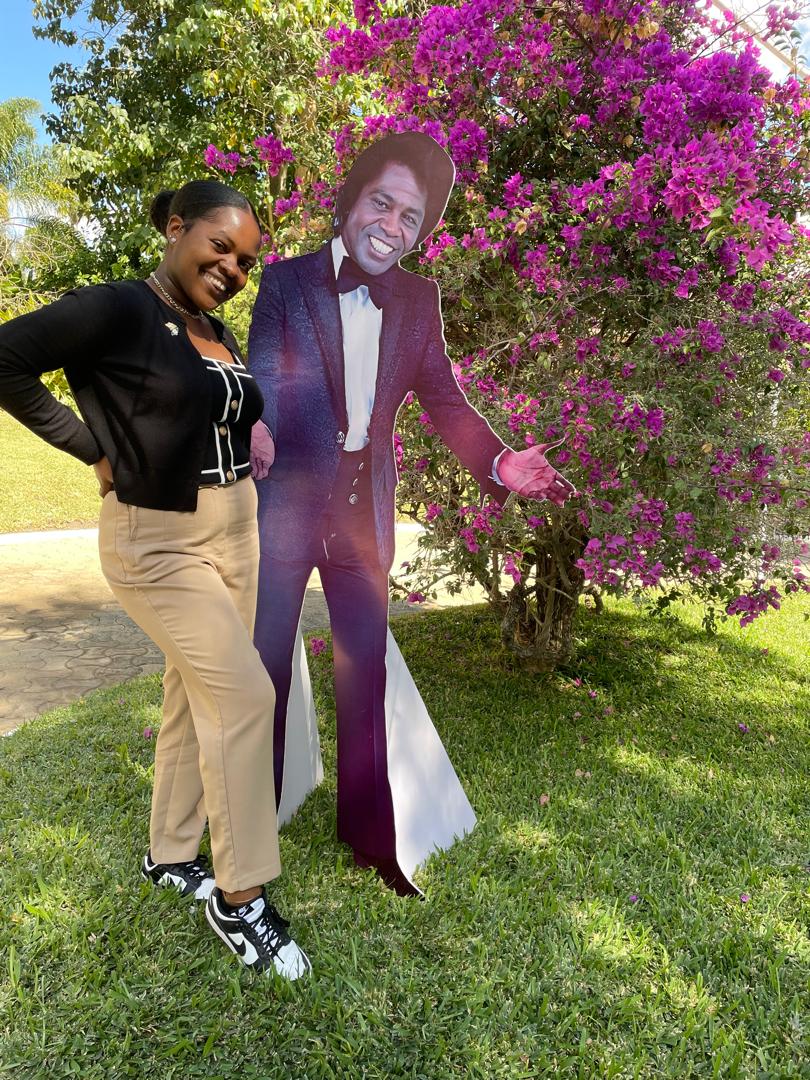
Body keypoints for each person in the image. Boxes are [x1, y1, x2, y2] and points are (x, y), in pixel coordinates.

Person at [248, 133, 574, 896]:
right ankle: (250, 830)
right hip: (288, 502)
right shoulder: (286, 283)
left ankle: (371, 841)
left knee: (366, 675)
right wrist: (252, 421)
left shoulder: (419, 300)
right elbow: (263, 367)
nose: (392, 225)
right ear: (350, 202)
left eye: (410, 217)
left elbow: (444, 400)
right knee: (264, 670)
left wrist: (499, 463)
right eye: (381, 203)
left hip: (365, 515)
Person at [0, 180, 310, 978]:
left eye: (246, 260)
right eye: (219, 246)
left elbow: (209, 408)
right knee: (244, 697)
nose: (232, 267)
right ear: (176, 229)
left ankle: (172, 855)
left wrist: (255, 433)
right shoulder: (119, 308)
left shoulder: (214, 327)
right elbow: (7, 360)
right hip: (158, 541)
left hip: (235, 528)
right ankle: (239, 898)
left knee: (191, 690)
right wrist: (90, 449)